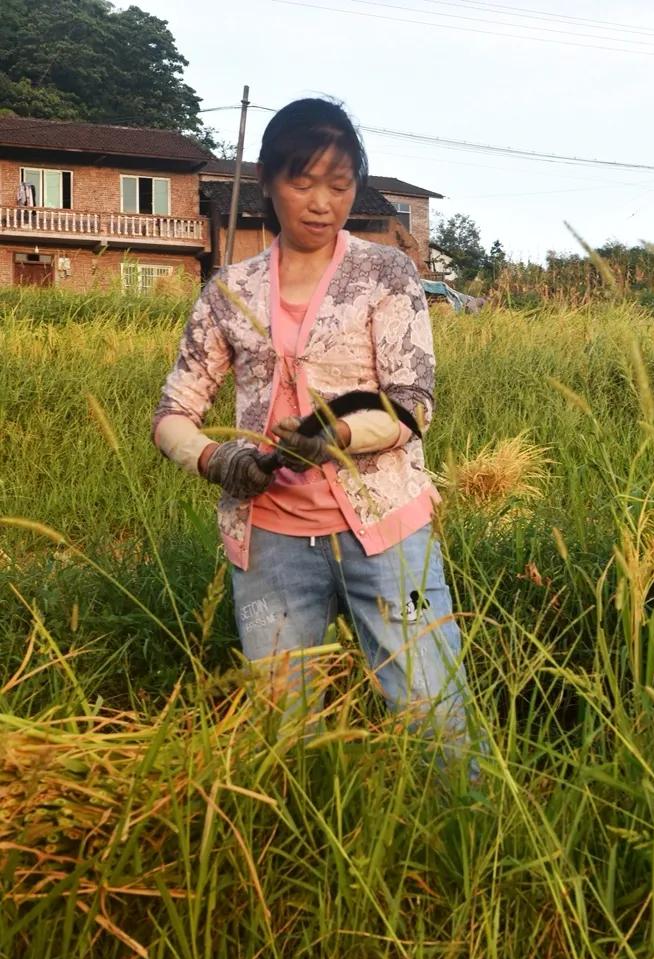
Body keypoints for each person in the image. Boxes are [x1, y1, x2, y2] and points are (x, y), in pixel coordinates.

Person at [153, 98, 481, 769]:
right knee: (286, 739)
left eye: (339, 184)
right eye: (302, 182)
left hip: (387, 530)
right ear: (269, 181)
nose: (321, 202)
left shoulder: (385, 274)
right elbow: (172, 414)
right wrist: (215, 456)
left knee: (436, 721)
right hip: (270, 539)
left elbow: (412, 404)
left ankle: (469, 853)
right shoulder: (227, 290)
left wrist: (336, 434)